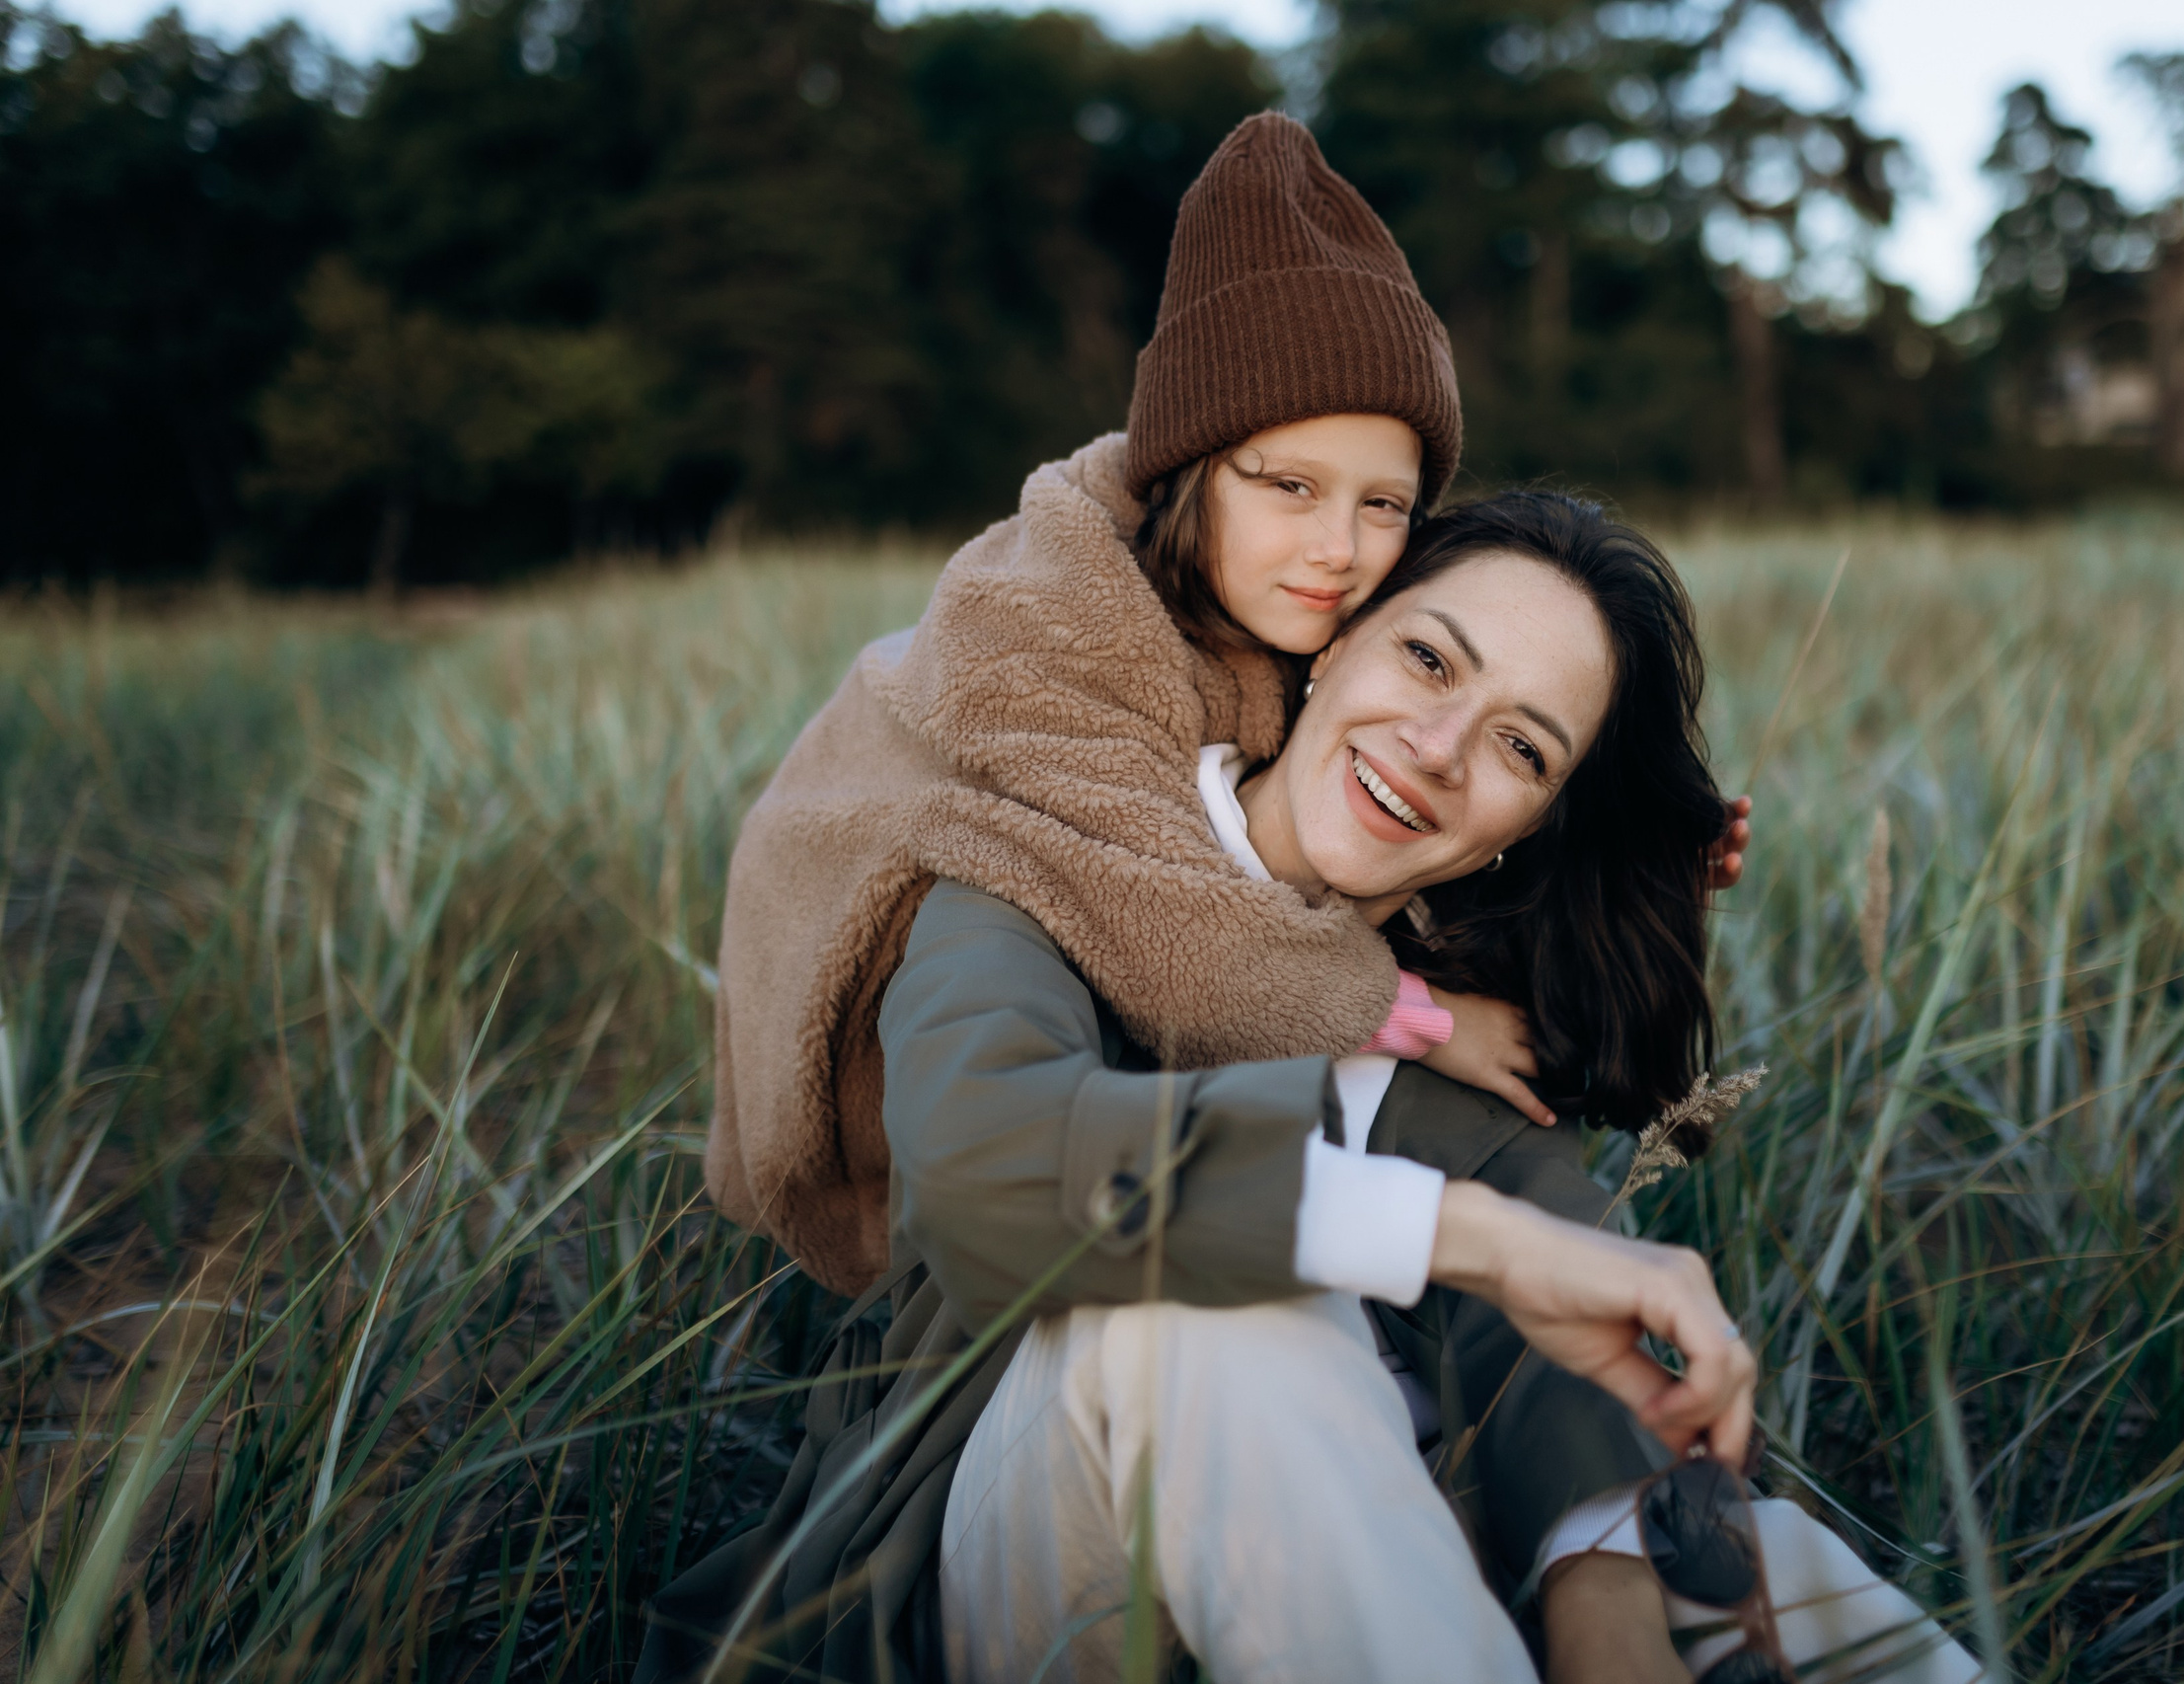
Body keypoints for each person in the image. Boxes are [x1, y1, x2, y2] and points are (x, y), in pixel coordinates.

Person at [641, 498, 1980, 1684]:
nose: (1440, 746)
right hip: (988, 1567)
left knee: (1758, 1569)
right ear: (1332, 641)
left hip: (1365, 1558)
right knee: (1209, 1307)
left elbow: (1549, 1337)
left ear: (1529, 823)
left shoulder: (1460, 1019)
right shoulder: (1042, 857)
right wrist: (1465, 1237)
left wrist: (1604, 1592)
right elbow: (981, 1167)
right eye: (1428, 658)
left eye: (1521, 749)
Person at [699, 111, 1749, 1307]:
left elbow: (1378, 844)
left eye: (1384, 505)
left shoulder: (1268, 635)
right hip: (865, 1056)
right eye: (1289, 484)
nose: (1338, 549)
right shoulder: (1046, 635)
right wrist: (1414, 1018)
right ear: (1193, 466)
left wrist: (1632, 852)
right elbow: (1175, 938)